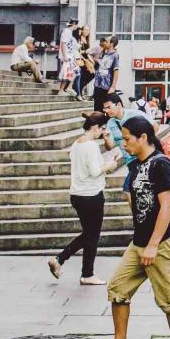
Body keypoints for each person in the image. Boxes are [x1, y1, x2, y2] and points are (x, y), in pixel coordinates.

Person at [86, 116, 170, 339]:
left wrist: (153, 244)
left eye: (127, 138)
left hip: (160, 241)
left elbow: (167, 207)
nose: (123, 142)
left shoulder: (160, 164)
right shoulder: (137, 165)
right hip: (140, 241)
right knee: (118, 288)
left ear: (143, 138)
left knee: (168, 298)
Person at [50, 112, 117, 284]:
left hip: (77, 194)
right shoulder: (91, 146)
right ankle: (85, 273)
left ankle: (62, 261)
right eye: (102, 129)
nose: (103, 133)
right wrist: (109, 165)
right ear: (95, 128)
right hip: (91, 195)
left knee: (89, 233)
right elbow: (95, 171)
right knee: (92, 235)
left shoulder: (77, 143)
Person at [55, 28, 80, 96]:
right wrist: (65, 56)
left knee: (73, 72)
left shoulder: (72, 38)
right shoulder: (70, 38)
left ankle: (68, 87)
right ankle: (63, 89)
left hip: (71, 57)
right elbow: (67, 46)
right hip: (69, 57)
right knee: (67, 73)